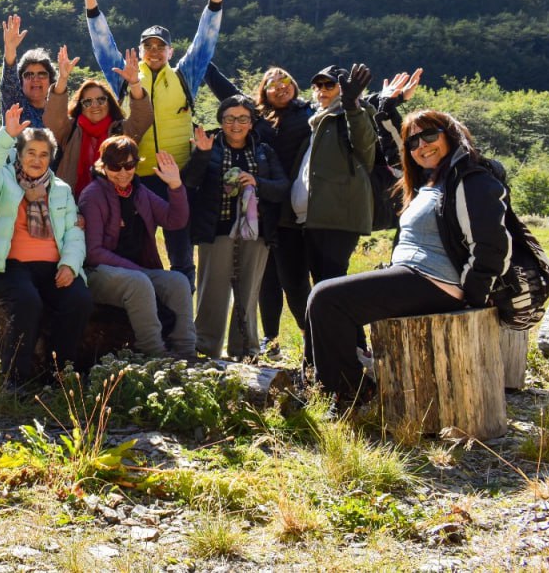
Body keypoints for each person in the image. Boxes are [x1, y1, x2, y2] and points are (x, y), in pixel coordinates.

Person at [306, 110, 507, 409]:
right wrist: (387, 104)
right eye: (413, 142)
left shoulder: (470, 178)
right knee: (322, 298)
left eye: (429, 135)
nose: (421, 146)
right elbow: (390, 148)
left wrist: (473, 296)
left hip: (439, 284)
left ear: (450, 135)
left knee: (326, 298)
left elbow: (493, 244)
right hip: (415, 275)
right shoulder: (429, 181)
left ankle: (349, 392)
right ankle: (318, 385)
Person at [82, 0, 236, 280]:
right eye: (148, 46)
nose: (154, 51)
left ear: (170, 51)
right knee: (138, 251)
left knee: (181, 254)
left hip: (177, 176)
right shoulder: (125, 77)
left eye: (160, 47)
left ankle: (182, 322)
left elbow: (204, 43)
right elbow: (102, 44)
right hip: (133, 176)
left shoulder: (185, 77)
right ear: (139, 51)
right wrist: (91, 2)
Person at [0, 105, 92, 389]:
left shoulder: (61, 189)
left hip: (53, 266)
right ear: (20, 155)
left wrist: (69, 265)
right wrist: (6, 135)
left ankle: (61, 373)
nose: (37, 160)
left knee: (79, 300)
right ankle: (16, 378)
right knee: (28, 302)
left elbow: (75, 235)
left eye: (43, 155)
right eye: (30, 153)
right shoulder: (4, 182)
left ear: (50, 159)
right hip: (11, 265)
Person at [205, 63, 312, 357]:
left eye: (285, 80)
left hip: (294, 204)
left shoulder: (308, 112)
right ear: (262, 92)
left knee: (294, 279)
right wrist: (203, 58)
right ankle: (271, 340)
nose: (280, 86)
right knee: (266, 279)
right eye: (272, 83)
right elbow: (228, 95)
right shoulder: (258, 117)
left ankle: (311, 338)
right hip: (264, 207)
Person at [280, 64, 376, 364]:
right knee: (314, 287)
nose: (322, 91)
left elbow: (366, 150)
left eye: (329, 86)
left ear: (342, 89)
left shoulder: (351, 114)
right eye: (318, 86)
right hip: (307, 220)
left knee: (332, 286)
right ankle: (328, 350)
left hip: (336, 219)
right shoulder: (315, 120)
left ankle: (355, 354)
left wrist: (351, 104)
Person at [185, 96, 289, 360]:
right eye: (230, 118)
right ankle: (206, 349)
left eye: (243, 119)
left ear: (251, 123)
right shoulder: (209, 145)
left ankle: (245, 351)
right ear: (221, 121)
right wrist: (202, 154)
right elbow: (190, 182)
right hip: (215, 229)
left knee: (248, 291)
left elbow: (282, 188)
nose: (236, 124)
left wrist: (257, 181)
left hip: (255, 232)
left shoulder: (264, 151)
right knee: (213, 292)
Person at [78, 136, 195, 358]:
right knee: (139, 282)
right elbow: (93, 253)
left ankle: (186, 352)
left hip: (137, 272)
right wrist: (138, 271)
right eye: (115, 166)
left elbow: (175, 220)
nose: (123, 173)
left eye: (129, 165)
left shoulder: (139, 192)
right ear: (103, 165)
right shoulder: (92, 195)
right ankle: (155, 355)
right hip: (98, 274)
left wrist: (175, 186)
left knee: (178, 282)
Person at [44, 45, 151, 197]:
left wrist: (134, 83)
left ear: (109, 102)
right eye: (87, 102)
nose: (95, 105)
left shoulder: (121, 131)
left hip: (113, 204)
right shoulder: (71, 130)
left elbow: (143, 118)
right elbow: (54, 118)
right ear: (81, 106)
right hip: (71, 204)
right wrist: (62, 80)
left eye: (101, 100)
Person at [0, 14, 55, 128]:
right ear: (20, 81)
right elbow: (9, 81)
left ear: (51, 80)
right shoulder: (16, 106)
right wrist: (10, 48)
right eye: (28, 74)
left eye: (42, 74)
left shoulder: (59, 114)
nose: (35, 79)